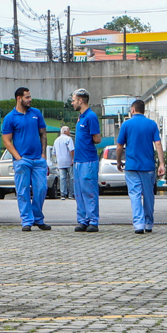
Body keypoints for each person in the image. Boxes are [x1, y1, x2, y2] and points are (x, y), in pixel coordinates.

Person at [2, 86, 52, 230]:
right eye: (27, 97)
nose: (30, 100)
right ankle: (27, 221)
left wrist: (43, 155)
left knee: (41, 189)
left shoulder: (36, 113)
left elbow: (43, 133)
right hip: (22, 161)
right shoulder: (10, 118)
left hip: (38, 161)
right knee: (22, 191)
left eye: (30, 97)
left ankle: (38, 218)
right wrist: (18, 158)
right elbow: (7, 140)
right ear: (19, 98)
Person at [119, 98, 163, 233]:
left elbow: (120, 145)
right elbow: (158, 144)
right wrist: (162, 163)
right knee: (149, 195)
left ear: (132, 110)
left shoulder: (126, 125)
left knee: (135, 195)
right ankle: (149, 223)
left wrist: (119, 160)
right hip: (148, 166)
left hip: (132, 165)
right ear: (144, 110)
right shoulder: (152, 124)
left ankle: (139, 224)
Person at [70, 89, 103, 233]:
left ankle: (93, 220)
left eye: (73, 100)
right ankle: (82, 220)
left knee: (89, 191)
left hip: (88, 160)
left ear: (81, 101)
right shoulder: (81, 117)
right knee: (79, 192)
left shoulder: (90, 117)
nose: (72, 103)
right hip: (78, 160)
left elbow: (97, 138)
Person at [50, 123, 74, 201]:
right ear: (65, 131)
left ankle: (63, 194)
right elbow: (71, 150)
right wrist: (72, 159)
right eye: (69, 130)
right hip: (68, 160)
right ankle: (71, 194)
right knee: (71, 177)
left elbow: (54, 153)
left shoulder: (56, 140)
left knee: (62, 178)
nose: (69, 132)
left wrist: (58, 158)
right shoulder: (68, 139)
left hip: (60, 162)